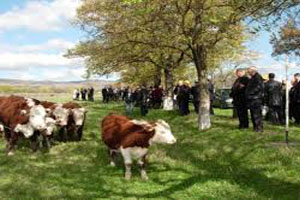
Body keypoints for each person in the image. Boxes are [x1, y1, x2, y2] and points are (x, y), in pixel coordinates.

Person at [245, 66, 264, 132]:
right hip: (252, 98)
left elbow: (258, 87)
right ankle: (255, 127)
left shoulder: (258, 77)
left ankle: (259, 128)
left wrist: (250, 93)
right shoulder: (253, 78)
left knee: (257, 114)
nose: (248, 72)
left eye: (249, 71)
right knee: (253, 114)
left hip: (256, 98)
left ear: (253, 71)